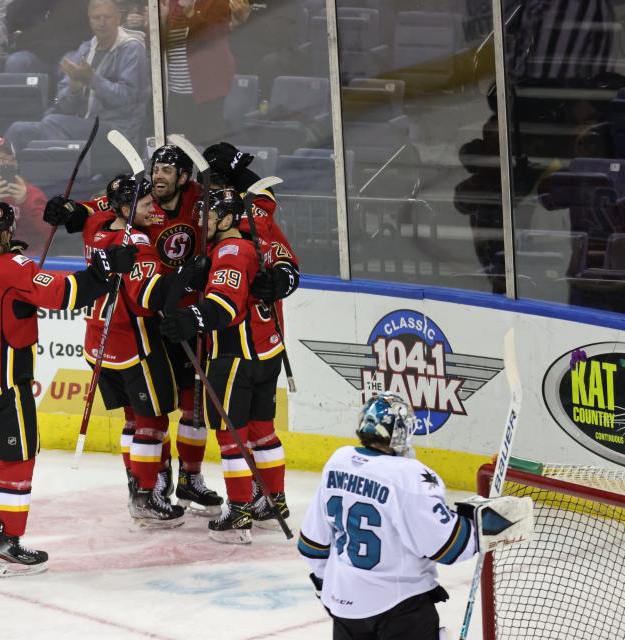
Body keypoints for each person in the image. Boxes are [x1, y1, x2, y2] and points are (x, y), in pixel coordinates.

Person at [0, 198, 137, 577]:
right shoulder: (15, 268)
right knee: (16, 462)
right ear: (8, 231)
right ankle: (9, 543)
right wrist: (105, 268)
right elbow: (66, 295)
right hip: (2, 386)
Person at [42, 144, 224, 517]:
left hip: (158, 324)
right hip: (144, 326)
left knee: (188, 407)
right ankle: (147, 488)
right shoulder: (134, 232)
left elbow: (98, 213)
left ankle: (184, 479)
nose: (157, 179)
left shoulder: (196, 199)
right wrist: (72, 210)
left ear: (184, 178)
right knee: (147, 416)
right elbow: (97, 210)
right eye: (154, 170)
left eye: (167, 171)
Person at [298, 393, 534, 639]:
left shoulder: (338, 461)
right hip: (400, 608)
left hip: (346, 609)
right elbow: (448, 546)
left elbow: (312, 545)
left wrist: (330, 588)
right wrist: (486, 524)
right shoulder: (409, 476)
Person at [159, 187, 287, 544]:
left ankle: (240, 510)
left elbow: (225, 307)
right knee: (264, 431)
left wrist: (190, 318)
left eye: (210, 217)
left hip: (235, 356)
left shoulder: (231, 251)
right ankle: (272, 503)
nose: (203, 223)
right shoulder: (247, 246)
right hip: (266, 351)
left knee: (232, 437)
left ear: (229, 219)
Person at [78, 174, 187, 527]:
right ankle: (145, 495)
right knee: (151, 422)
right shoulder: (137, 244)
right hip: (133, 343)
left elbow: (91, 211)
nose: (151, 208)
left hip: (98, 343)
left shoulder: (96, 230)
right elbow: (146, 299)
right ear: (125, 208)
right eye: (143, 204)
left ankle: (139, 488)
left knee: (130, 418)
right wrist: (187, 276)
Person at [4, 0, 148, 165]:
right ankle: (4, 183)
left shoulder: (132, 49)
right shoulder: (86, 49)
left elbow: (127, 100)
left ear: (118, 18)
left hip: (117, 129)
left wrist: (92, 79)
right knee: (19, 130)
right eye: (96, 18)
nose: (102, 23)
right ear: (89, 20)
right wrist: (73, 91)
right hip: (83, 124)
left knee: (54, 123)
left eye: (107, 17)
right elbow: (64, 106)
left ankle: (69, 180)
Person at [160, 0, 235, 148]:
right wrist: (161, 22)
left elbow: (213, 37)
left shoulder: (216, 2)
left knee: (207, 147)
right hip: (173, 93)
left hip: (206, 93)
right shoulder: (167, 3)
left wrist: (191, 14)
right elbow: (153, 46)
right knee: (177, 148)